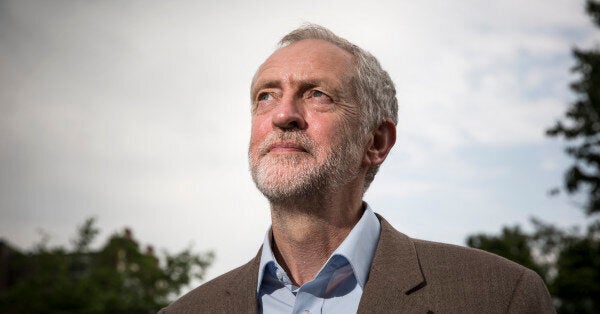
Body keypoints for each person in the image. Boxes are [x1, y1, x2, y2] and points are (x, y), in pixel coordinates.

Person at [161, 24, 555, 313]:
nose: (283, 114)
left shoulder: (499, 297)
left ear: (376, 142)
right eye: (266, 96)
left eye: (317, 94)